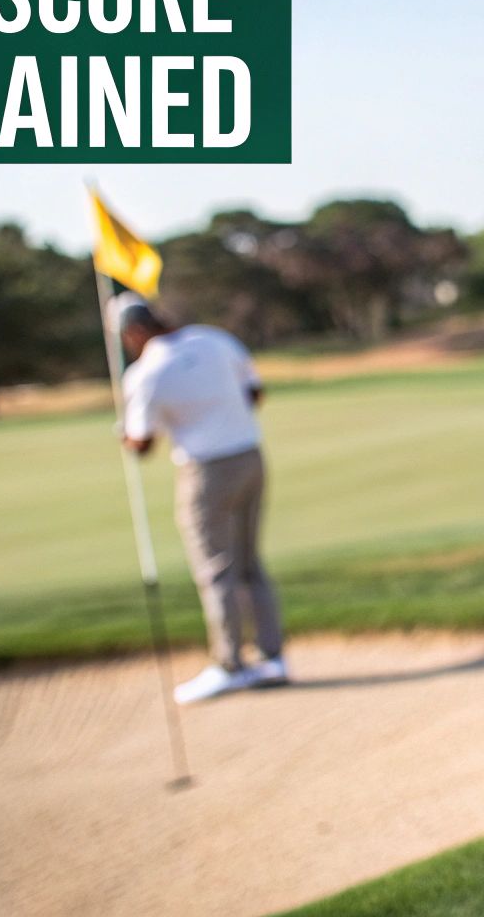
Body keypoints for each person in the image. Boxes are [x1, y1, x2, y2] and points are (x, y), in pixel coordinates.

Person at [112, 293, 289, 704]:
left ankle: (230, 665)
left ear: (135, 331)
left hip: (206, 472)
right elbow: (255, 395)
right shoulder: (215, 339)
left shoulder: (146, 372)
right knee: (249, 564)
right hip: (250, 457)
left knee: (216, 571)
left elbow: (141, 446)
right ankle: (273, 658)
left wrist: (123, 433)